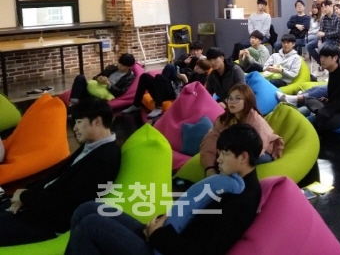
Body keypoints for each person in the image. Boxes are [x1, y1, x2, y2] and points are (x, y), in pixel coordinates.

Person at [65, 124, 263, 255]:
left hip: (164, 248)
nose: (218, 159)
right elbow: (191, 212)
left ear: (243, 157)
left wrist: (158, 235)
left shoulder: (242, 200)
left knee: (91, 226)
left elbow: (205, 251)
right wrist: (163, 221)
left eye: (225, 154)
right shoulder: (231, 183)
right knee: (88, 209)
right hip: (165, 237)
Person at [0, 98, 121, 247]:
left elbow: (66, 204)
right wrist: (25, 192)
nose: (74, 128)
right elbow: (56, 176)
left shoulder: (105, 159)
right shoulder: (92, 146)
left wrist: (25, 197)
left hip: (48, 222)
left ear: (97, 121)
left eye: (79, 122)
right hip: (37, 205)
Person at [201, 84, 284, 176]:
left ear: (247, 101)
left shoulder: (256, 120)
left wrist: (228, 159)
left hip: (262, 152)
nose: (232, 102)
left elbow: (258, 147)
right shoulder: (224, 119)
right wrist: (209, 167)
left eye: (237, 98)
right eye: (230, 98)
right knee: (218, 157)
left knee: (229, 160)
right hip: (235, 151)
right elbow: (210, 139)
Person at [277, 30, 340, 106]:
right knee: (315, 88)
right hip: (336, 83)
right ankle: (295, 101)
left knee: (324, 89)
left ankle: (295, 100)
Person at [123, 63, 189, 119]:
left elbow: (189, 89)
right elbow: (176, 64)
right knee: (144, 76)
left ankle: (158, 107)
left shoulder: (192, 71)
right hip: (166, 85)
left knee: (162, 74)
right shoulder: (184, 59)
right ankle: (136, 104)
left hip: (173, 92)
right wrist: (184, 62)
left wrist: (185, 80)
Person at [68, 53, 136, 105]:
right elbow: (95, 77)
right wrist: (98, 78)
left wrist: (109, 85)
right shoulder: (112, 68)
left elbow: (120, 92)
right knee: (80, 77)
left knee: (93, 101)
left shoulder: (129, 77)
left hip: (101, 96)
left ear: (128, 67)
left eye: (123, 65)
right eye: (119, 63)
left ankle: (77, 106)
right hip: (94, 88)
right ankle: (73, 103)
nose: (119, 66)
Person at [306, 0, 340, 66]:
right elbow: (321, 30)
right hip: (323, 39)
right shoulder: (323, 18)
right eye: (323, 7)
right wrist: (319, 40)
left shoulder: (337, 18)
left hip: (333, 40)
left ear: (331, 6)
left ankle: (326, 64)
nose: (324, 9)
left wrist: (325, 34)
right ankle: (321, 63)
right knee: (308, 46)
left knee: (321, 48)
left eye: (326, 7)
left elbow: (338, 32)